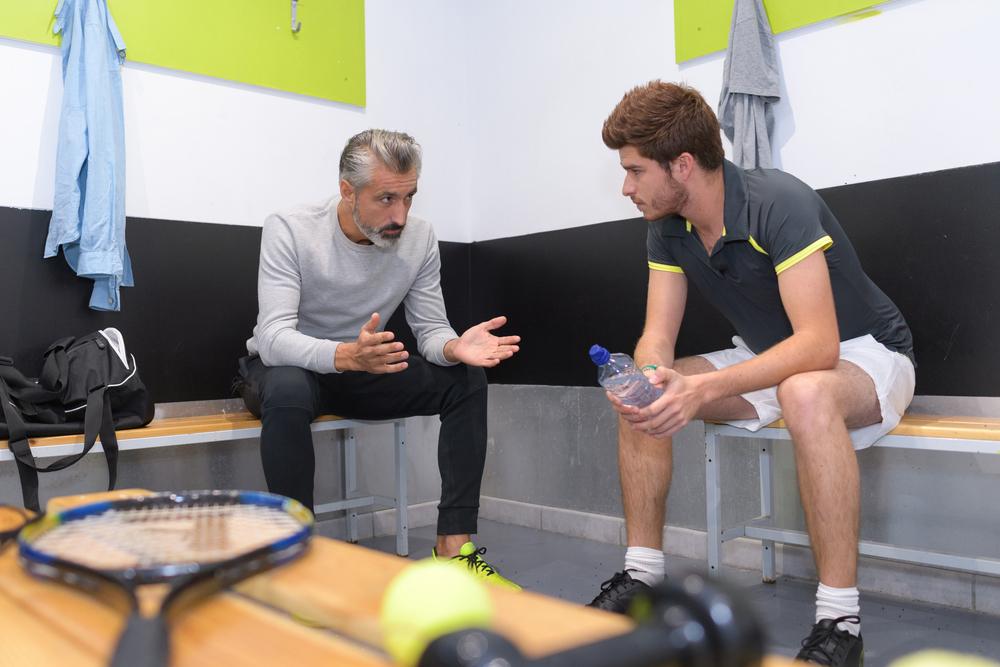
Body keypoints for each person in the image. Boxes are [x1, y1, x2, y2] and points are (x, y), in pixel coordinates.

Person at [588, 81, 915, 667]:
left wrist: (705, 388)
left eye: (636, 171)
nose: (627, 186)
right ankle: (641, 579)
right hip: (772, 355)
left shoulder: (778, 202)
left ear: (681, 165)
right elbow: (656, 336)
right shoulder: (666, 226)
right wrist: (651, 376)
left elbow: (819, 344)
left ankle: (840, 621)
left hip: (866, 355)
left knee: (806, 391)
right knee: (642, 390)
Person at [238, 129, 521, 589]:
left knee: (466, 379)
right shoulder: (289, 227)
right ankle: (296, 563)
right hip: (291, 368)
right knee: (288, 388)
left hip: (364, 367)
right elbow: (272, 337)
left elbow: (430, 330)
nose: (400, 215)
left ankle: (453, 548)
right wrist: (344, 356)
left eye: (409, 198)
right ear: (347, 191)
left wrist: (454, 348)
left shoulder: (420, 237)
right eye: (386, 198)